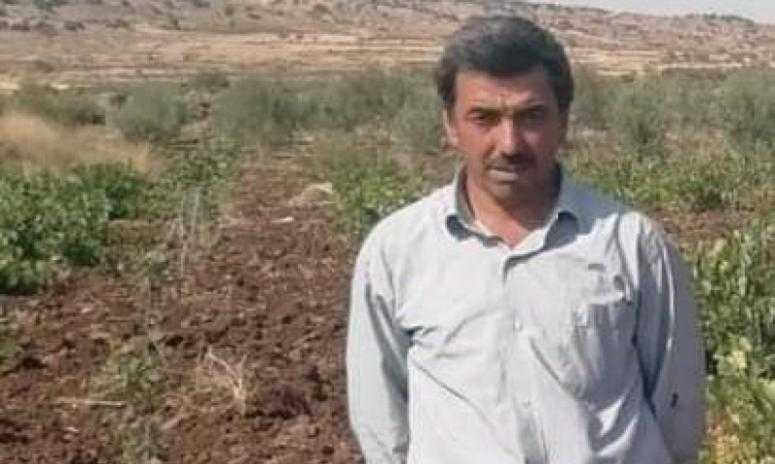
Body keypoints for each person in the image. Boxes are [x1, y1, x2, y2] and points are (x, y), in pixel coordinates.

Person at [346, 15, 705, 464]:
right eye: (484, 118)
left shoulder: (633, 244)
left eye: (531, 116)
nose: (510, 144)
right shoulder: (396, 251)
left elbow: (677, 409)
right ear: (450, 125)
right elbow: (381, 417)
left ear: (563, 121)